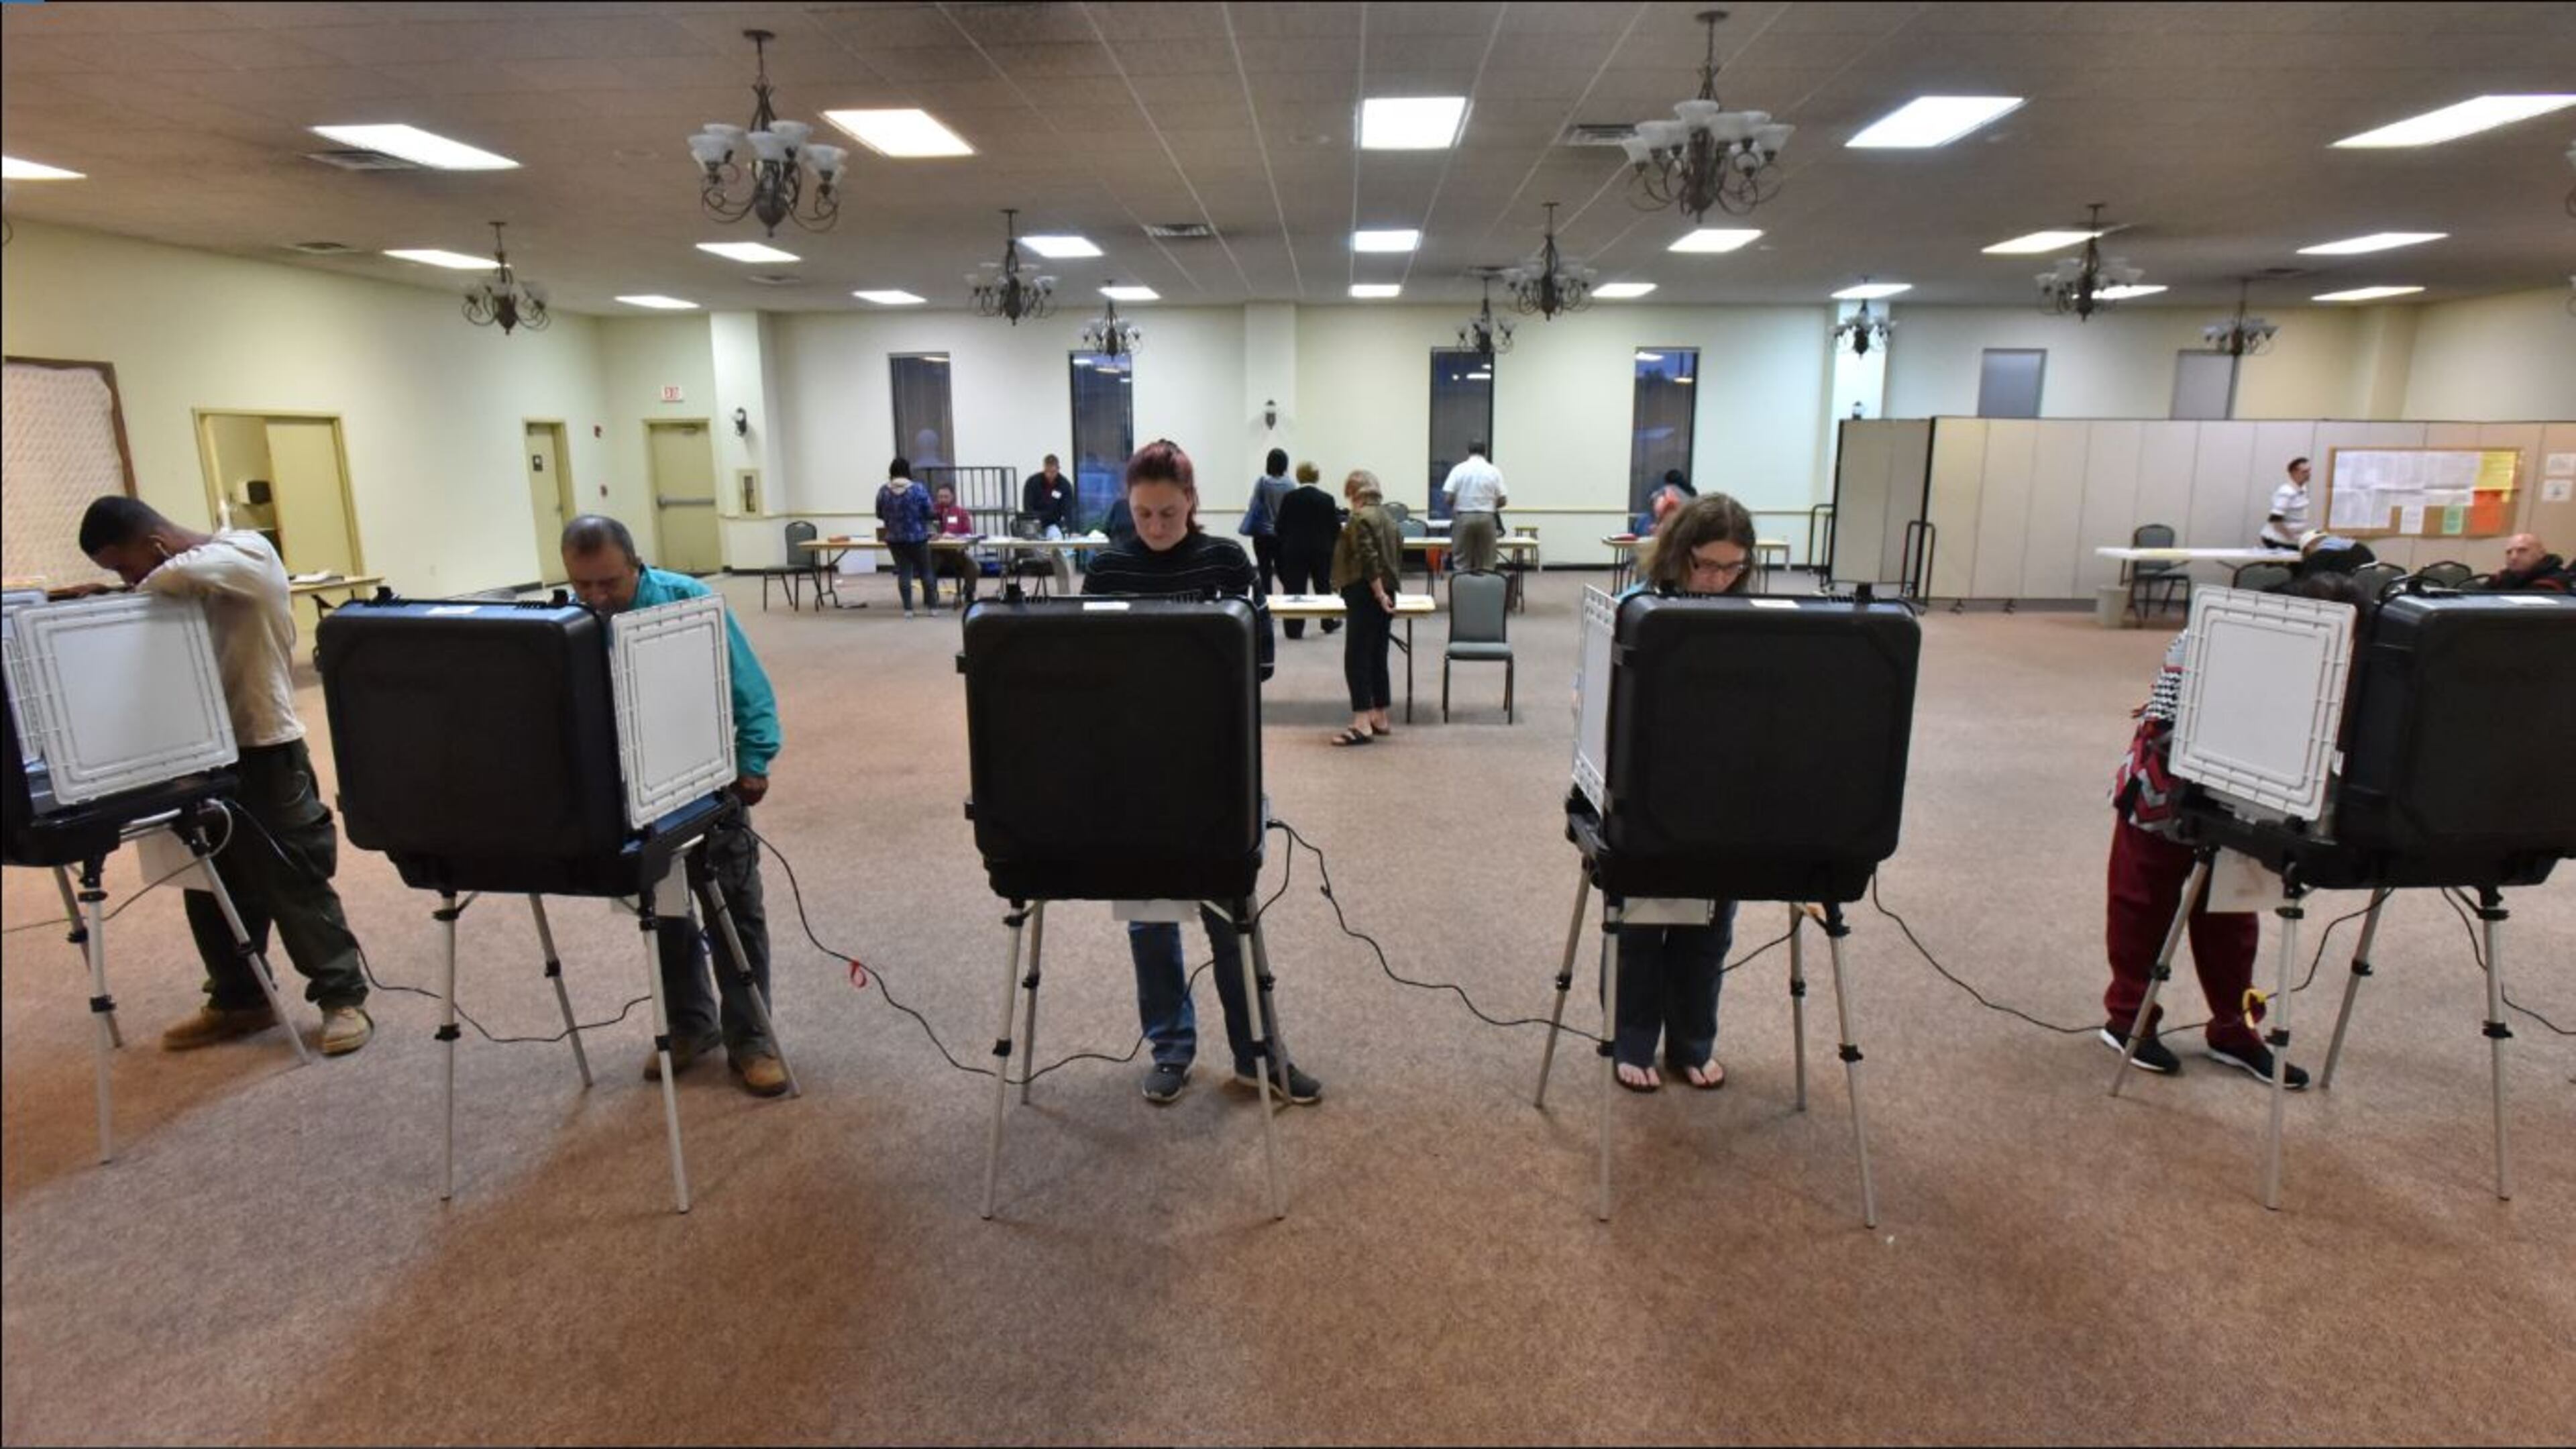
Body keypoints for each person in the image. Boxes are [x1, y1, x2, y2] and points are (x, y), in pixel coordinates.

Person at [74, 498, 376, 1057]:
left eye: (124, 565)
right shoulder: (170, 580)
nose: (129, 578)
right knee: (209, 881)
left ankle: (342, 998)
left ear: (157, 543)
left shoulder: (245, 553)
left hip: (265, 748)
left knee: (291, 875)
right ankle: (241, 999)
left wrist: (123, 594)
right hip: (198, 752)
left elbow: (179, 572)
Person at [1082, 439, 1320, 1108]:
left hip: (1215, 763)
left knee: (1231, 916)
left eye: (1167, 513)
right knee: (1151, 920)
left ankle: (1258, 1056)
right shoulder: (1107, 567)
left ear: (1191, 502)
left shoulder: (1225, 558)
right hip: (1138, 772)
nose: (1155, 528)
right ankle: (1171, 1049)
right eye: (1142, 515)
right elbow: (1086, 675)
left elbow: (1262, 660)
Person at [561, 515, 789, 1097]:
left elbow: (749, 685)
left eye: (609, 583)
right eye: (582, 585)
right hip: (632, 793)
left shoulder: (689, 602)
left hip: (706, 779)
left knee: (734, 906)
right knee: (661, 912)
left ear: (636, 564)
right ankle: (691, 1025)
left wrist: (755, 758)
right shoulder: (571, 623)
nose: (597, 598)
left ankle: (752, 1038)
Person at [2095, 573, 2352, 1089]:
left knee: (2234, 919)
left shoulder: (2340, 655)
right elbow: (2167, 729)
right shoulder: (2212, 636)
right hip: (2166, 788)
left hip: (2257, 797)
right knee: (2142, 905)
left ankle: (2235, 1028)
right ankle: (2128, 1019)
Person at [1607, 492, 1757, 1089]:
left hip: (1723, 797)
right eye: (1706, 565)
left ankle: (1693, 1043)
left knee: (1709, 930)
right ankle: (1634, 1041)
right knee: (1641, 925)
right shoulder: (1634, 608)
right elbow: (1591, 695)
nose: (1719, 580)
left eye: (1732, 567)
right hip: (1649, 795)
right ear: (1679, 553)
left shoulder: (1753, 614)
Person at [1328, 469, 1403, 747]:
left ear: (1354, 492)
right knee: (1377, 654)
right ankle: (1380, 716)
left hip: (1366, 590)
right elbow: (1395, 556)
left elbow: (1368, 558)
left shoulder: (1360, 518)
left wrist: (1378, 593)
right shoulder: (1388, 517)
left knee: (1357, 656)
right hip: (1387, 591)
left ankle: (1361, 723)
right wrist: (1387, 594)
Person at [1273, 462, 1344, 639]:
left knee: (1294, 589)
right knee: (1323, 586)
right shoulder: (1327, 499)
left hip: (1294, 550)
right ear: (1317, 477)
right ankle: (1327, 622)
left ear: (1299, 476)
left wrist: (1287, 542)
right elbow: (1335, 527)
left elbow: (1279, 526)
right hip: (1321, 550)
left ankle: (1294, 629)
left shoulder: (1290, 498)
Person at [875, 456, 938, 618]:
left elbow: (879, 514)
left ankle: (908, 610)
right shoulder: (918, 489)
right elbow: (930, 512)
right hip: (917, 538)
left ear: (892, 472)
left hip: (895, 539)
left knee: (904, 573)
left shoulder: (883, 491)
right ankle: (933, 608)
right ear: (908, 471)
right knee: (926, 572)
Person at [1440, 440, 1508, 572]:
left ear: (1468, 452)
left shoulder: (1458, 469)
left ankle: (1462, 590)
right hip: (1487, 518)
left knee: (1461, 561)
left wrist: (1460, 505)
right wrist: (1489, 505)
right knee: (1487, 561)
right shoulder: (1494, 471)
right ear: (1485, 452)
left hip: (1463, 517)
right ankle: (1485, 590)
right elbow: (1503, 500)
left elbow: (1448, 498)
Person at [1238, 447, 1295, 597]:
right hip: (1282, 535)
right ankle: (1288, 603)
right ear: (1285, 464)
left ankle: (1267, 608)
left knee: (1265, 572)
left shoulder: (1262, 482)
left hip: (1262, 535)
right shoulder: (1291, 485)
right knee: (1284, 571)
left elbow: (1254, 504)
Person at [1024, 452, 1076, 590]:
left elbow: (1068, 510)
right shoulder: (1032, 482)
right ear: (1044, 469)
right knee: (1037, 549)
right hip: (1034, 524)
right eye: (1047, 471)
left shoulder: (1064, 485)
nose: (1050, 475)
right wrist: (1038, 519)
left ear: (1058, 469)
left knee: (1057, 542)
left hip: (1053, 524)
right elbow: (1027, 508)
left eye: (1053, 472)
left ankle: (1064, 589)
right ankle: (1043, 560)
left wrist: (1070, 529)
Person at [932, 482, 979, 607]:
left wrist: (955, 536)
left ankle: (969, 592)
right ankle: (931, 595)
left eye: (946, 497)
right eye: (940, 497)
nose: (942, 500)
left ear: (953, 497)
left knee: (975, 567)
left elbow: (969, 534)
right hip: (936, 553)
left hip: (956, 552)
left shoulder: (961, 512)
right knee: (928, 568)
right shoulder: (931, 512)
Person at [2475, 532, 2568, 592]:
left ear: (2541, 554)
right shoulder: (2501, 577)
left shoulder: (2552, 582)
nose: (2513, 557)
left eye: (2522, 550)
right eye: (2509, 552)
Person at [2259, 457, 2311, 550]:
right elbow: (2275, 519)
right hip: (2277, 539)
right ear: (2293, 473)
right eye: (2305, 472)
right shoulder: (2286, 492)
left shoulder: (2302, 489)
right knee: (2302, 562)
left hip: (2291, 539)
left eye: (2309, 471)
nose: (2309, 474)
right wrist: (2291, 537)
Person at [2296, 529, 2375, 577]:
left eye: (2306, 554)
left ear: (2309, 546)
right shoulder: (2361, 548)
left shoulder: (2319, 556)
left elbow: (2307, 583)